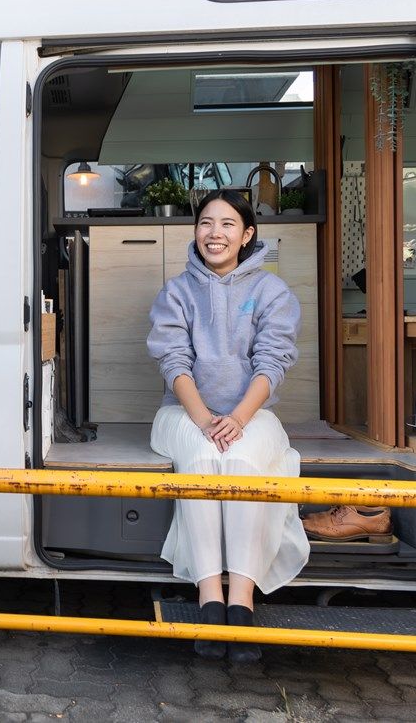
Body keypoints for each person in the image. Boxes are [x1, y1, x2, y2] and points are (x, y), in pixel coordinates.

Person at [146, 188, 310, 662]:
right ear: (195, 232)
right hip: (181, 414)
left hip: (252, 415)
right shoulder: (176, 291)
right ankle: (209, 600)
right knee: (201, 458)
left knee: (237, 459)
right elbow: (173, 360)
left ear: (247, 235)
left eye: (227, 225)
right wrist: (204, 419)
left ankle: (241, 601)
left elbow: (273, 362)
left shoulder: (271, 291)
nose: (214, 233)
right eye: (205, 224)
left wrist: (237, 419)